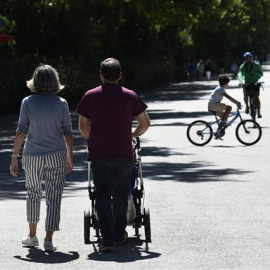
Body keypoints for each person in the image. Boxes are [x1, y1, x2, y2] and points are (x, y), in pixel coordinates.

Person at [77, 58, 150, 253]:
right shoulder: (130, 95)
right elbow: (145, 123)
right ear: (119, 75)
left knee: (101, 194)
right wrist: (132, 134)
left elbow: (83, 128)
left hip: (99, 154)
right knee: (120, 195)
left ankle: (106, 239)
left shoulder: (90, 96)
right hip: (124, 154)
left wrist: (91, 139)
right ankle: (119, 234)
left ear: (101, 75)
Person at [9, 64, 73, 252]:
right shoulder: (61, 103)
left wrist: (14, 156)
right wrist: (70, 157)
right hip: (57, 154)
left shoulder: (27, 102)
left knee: (33, 193)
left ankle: (32, 236)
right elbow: (68, 134)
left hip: (32, 155)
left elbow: (21, 132)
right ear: (55, 81)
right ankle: (48, 240)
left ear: (34, 81)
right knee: (54, 196)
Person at [238, 52, 263, 117]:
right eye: (246, 58)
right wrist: (240, 81)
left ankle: (259, 112)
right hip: (247, 82)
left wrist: (255, 73)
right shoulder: (243, 66)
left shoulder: (256, 65)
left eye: (248, 58)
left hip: (255, 82)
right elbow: (240, 74)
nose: (247, 59)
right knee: (245, 94)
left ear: (251, 58)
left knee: (256, 97)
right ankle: (247, 106)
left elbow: (261, 74)